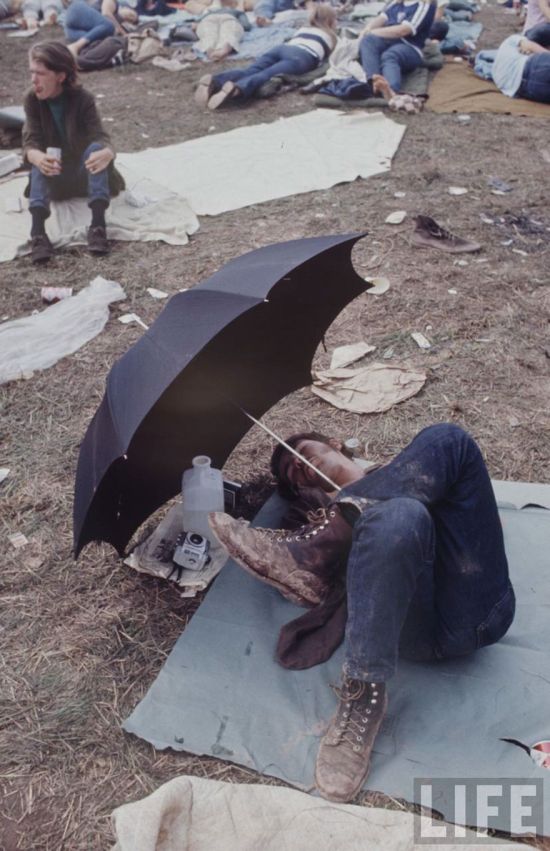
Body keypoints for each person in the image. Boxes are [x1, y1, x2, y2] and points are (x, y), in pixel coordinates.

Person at [208, 423, 515, 803]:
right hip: (412, 624)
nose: (301, 467)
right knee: (398, 516)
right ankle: (363, 695)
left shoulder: (423, 465)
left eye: (305, 454)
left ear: (336, 445)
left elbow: (482, 526)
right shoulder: (309, 514)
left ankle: (337, 529)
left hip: (477, 603)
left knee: (449, 439)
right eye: (294, 474)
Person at [23, 41, 125, 263]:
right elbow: (30, 142)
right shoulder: (32, 99)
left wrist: (108, 152)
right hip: (54, 178)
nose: (34, 80)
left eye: (40, 73)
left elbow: (100, 136)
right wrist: (38, 157)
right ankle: (38, 234)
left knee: (97, 149)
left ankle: (98, 227)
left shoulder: (83, 99)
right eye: (32, 72)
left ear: (60, 76)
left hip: (83, 176)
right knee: (38, 160)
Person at [194, 2, 337, 108]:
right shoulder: (332, 36)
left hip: (282, 48)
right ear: (331, 21)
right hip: (301, 56)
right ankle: (237, 89)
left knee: (251, 70)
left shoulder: (304, 29)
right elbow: (335, 58)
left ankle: (216, 80)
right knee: (266, 75)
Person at [357, 0, 436, 96]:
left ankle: (390, 90)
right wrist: (367, 30)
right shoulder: (395, 3)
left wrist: (374, 32)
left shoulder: (423, 6)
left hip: (410, 46)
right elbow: (381, 18)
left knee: (390, 55)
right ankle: (373, 81)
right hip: (390, 40)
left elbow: (403, 30)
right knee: (368, 41)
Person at [63, 0, 137, 57]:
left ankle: (72, 50)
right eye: (132, 14)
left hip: (72, 29)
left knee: (98, 43)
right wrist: (124, 34)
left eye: (132, 20)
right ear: (125, 7)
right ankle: (76, 46)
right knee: (109, 26)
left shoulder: (103, 29)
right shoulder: (114, 3)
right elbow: (106, 13)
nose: (130, 17)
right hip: (76, 9)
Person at [492, 33, 550, 103]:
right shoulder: (512, 39)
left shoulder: (496, 73)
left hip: (527, 90)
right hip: (532, 67)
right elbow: (532, 46)